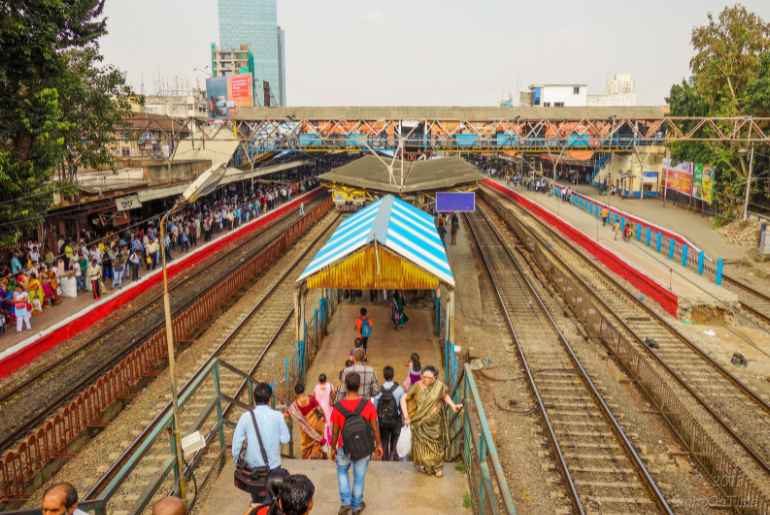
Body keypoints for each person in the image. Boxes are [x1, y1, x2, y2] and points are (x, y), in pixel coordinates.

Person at [330, 372, 383, 514]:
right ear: (359, 386)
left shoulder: (338, 406)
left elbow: (335, 431)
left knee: (342, 472)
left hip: (343, 447)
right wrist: (378, 445)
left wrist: (333, 448)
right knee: (359, 477)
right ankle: (356, 505)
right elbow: (375, 426)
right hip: (363, 447)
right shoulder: (368, 405)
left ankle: (345, 502)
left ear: (346, 386)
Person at [232, 382, 291, 506]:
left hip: (254, 471)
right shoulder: (278, 416)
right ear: (270, 399)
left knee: (258, 501)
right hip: (274, 468)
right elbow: (286, 439)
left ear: (254, 398)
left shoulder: (246, 417)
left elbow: (236, 444)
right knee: (275, 501)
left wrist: (238, 462)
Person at [400, 365, 462, 477]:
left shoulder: (439, 386)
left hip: (435, 424)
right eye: (424, 377)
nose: (426, 380)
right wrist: (406, 416)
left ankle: (437, 467)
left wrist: (453, 406)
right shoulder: (417, 386)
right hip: (420, 423)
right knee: (422, 447)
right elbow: (404, 398)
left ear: (435, 377)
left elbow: (445, 396)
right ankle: (427, 466)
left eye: (430, 378)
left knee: (436, 446)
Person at [372, 366, 404, 461]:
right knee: (394, 441)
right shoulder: (399, 389)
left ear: (384, 376)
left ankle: (385, 459)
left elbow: (375, 407)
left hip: (383, 421)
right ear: (393, 375)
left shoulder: (379, 390)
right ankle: (393, 455)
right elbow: (402, 405)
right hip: (396, 420)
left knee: (384, 441)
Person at [287, 383, 327, 459]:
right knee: (316, 442)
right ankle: (316, 454)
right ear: (304, 390)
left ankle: (309, 456)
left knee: (306, 446)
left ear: (295, 393)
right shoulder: (311, 399)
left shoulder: (294, 405)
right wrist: (323, 418)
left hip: (305, 431)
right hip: (316, 427)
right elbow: (320, 410)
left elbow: (287, 413)